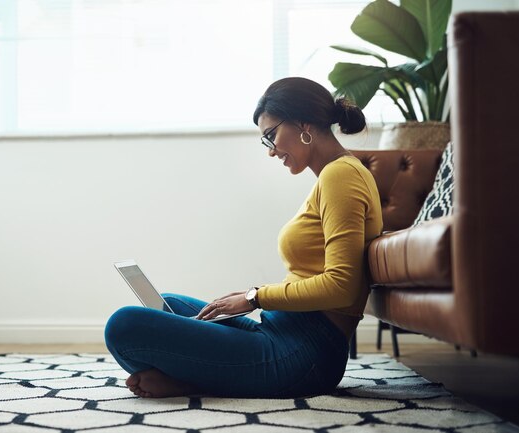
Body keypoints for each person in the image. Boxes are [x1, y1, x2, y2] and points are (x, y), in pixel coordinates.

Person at [104, 77, 383, 399]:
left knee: (124, 325)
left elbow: (341, 286)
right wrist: (253, 299)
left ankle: (192, 381)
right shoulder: (334, 176)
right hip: (281, 331)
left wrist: (254, 297)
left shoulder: (341, 174)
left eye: (271, 136)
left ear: (303, 122)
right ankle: (196, 379)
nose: (271, 151)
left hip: (305, 355)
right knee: (170, 304)